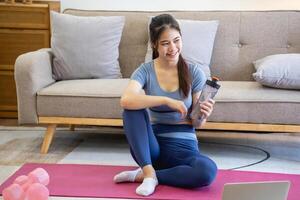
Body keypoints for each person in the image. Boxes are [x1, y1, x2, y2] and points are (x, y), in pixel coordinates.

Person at [113, 13, 217, 196]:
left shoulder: (195, 73)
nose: (173, 48)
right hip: (152, 149)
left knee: (207, 171)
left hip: (185, 151)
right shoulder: (145, 70)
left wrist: (203, 116)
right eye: (165, 43)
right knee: (131, 110)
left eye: (176, 40)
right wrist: (166, 100)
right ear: (154, 44)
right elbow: (126, 99)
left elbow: (196, 123)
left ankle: (147, 176)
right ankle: (148, 170)